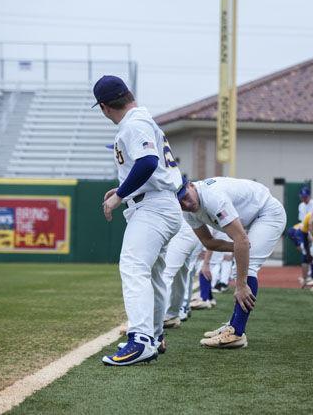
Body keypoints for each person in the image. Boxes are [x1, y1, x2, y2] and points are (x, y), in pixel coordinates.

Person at [95, 75, 183, 366]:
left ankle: (141, 340)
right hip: (160, 204)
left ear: (105, 107)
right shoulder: (143, 119)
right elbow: (145, 166)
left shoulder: (133, 123)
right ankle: (154, 337)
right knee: (154, 275)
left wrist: (119, 194)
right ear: (129, 94)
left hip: (153, 208)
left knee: (133, 267)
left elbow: (148, 162)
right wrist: (125, 190)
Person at [178, 177, 286, 348]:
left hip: (267, 213)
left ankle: (236, 333)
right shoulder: (188, 212)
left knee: (246, 269)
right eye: (180, 202)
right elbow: (209, 243)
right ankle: (233, 325)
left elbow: (241, 240)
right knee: (241, 263)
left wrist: (241, 285)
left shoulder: (212, 197)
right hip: (252, 218)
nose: (186, 203)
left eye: (185, 196)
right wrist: (239, 247)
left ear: (190, 185)